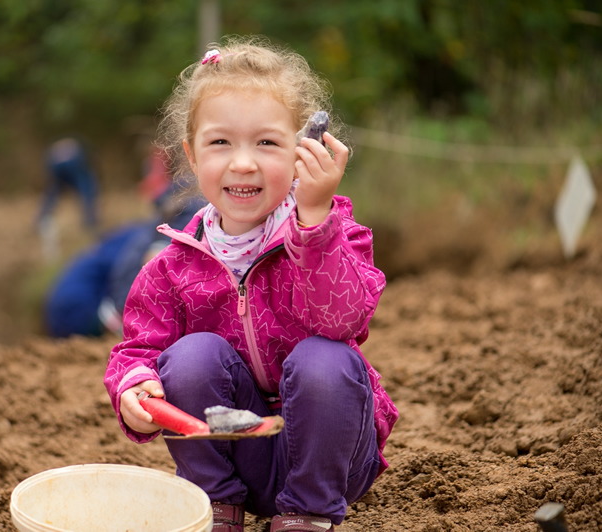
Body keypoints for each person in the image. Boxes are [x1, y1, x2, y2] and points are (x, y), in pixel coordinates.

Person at [103, 37, 398, 532]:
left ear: (303, 150)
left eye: (267, 142)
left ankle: (307, 515)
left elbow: (343, 318)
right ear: (192, 157)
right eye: (221, 143)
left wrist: (315, 220)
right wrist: (135, 391)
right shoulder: (170, 267)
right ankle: (217, 508)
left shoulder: (334, 231)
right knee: (190, 355)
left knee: (323, 356)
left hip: (333, 458)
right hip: (240, 457)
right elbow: (137, 351)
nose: (243, 163)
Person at [44, 177, 206, 338]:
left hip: (60, 306)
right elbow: (148, 263)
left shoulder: (139, 231)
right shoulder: (184, 216)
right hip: (80, 307)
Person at [36, 137, 99, 235]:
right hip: (74, 158)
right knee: (87, 189)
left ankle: (40, 221)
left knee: (52, 194)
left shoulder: (60, 144)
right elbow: (88, 167)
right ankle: (90, 223)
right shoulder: (84, 147)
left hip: (53, 159)